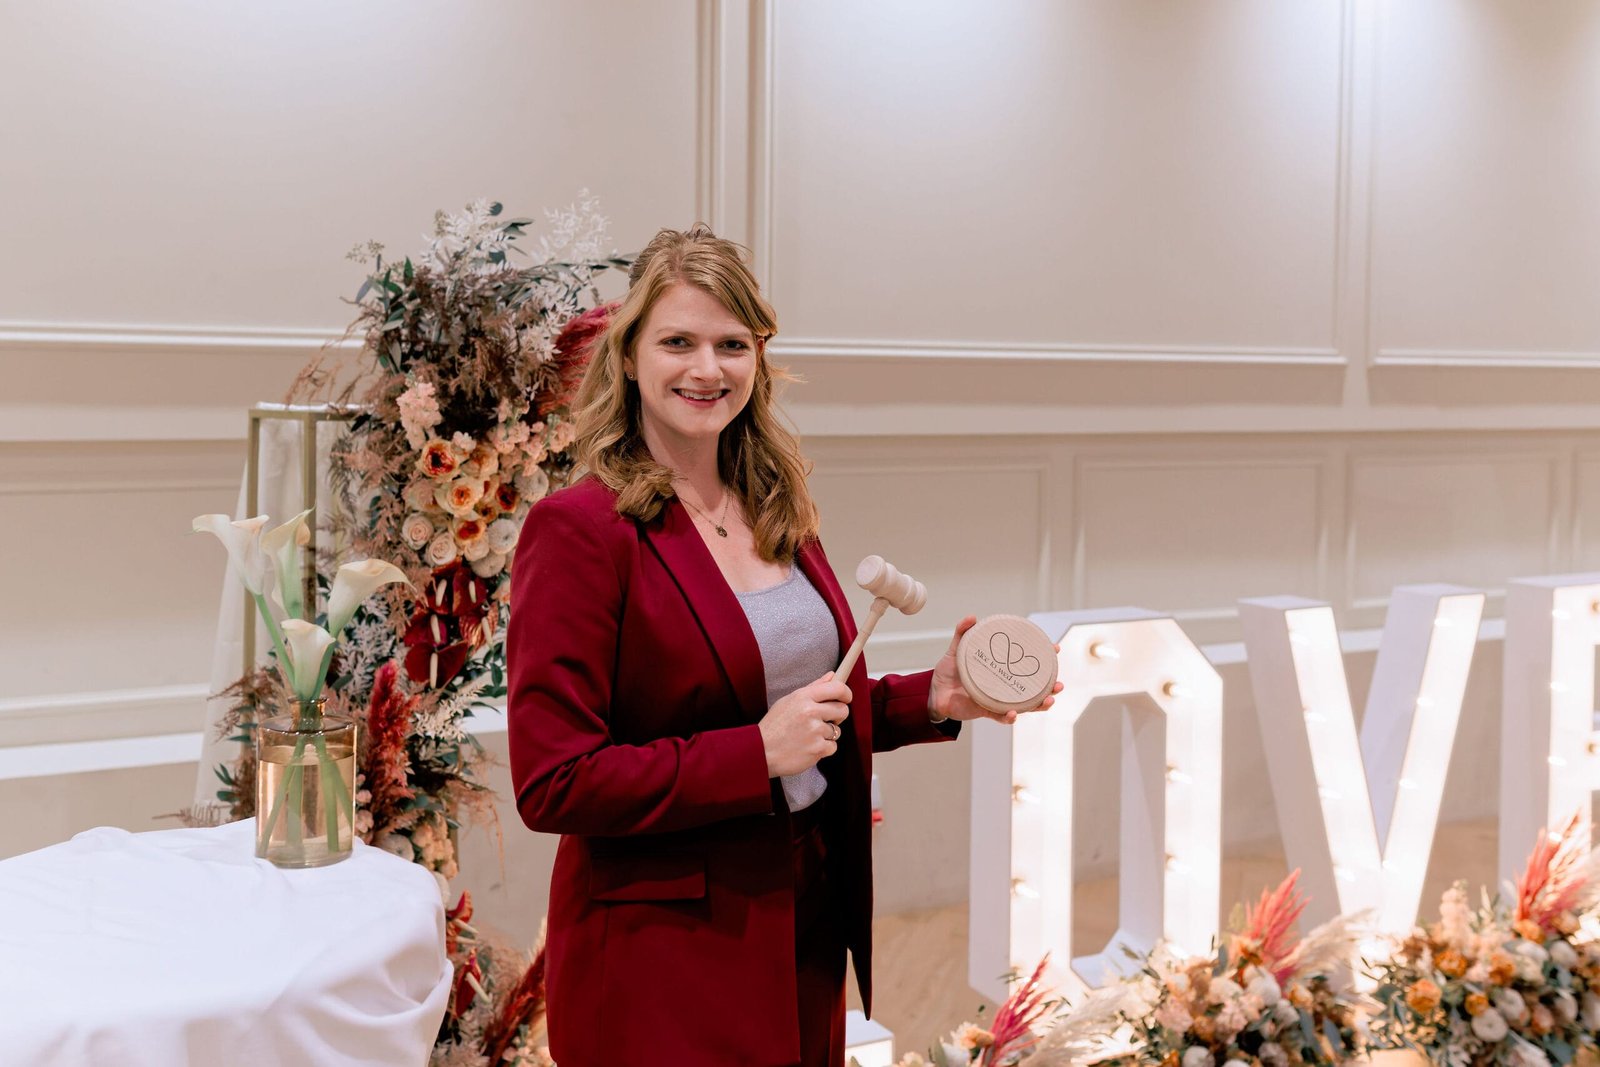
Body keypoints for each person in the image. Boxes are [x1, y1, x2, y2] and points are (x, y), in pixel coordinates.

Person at [506, 225, 1058, 1067]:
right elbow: (555, 780)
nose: (707, 368)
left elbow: (802, 707)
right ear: (629, 356)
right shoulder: (579, 530)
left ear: (759, 359)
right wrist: (755, 753)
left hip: (803, 913)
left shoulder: (771, 503)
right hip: (665, 950)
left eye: (732, 344)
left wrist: (934, 696)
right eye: (678, 342)